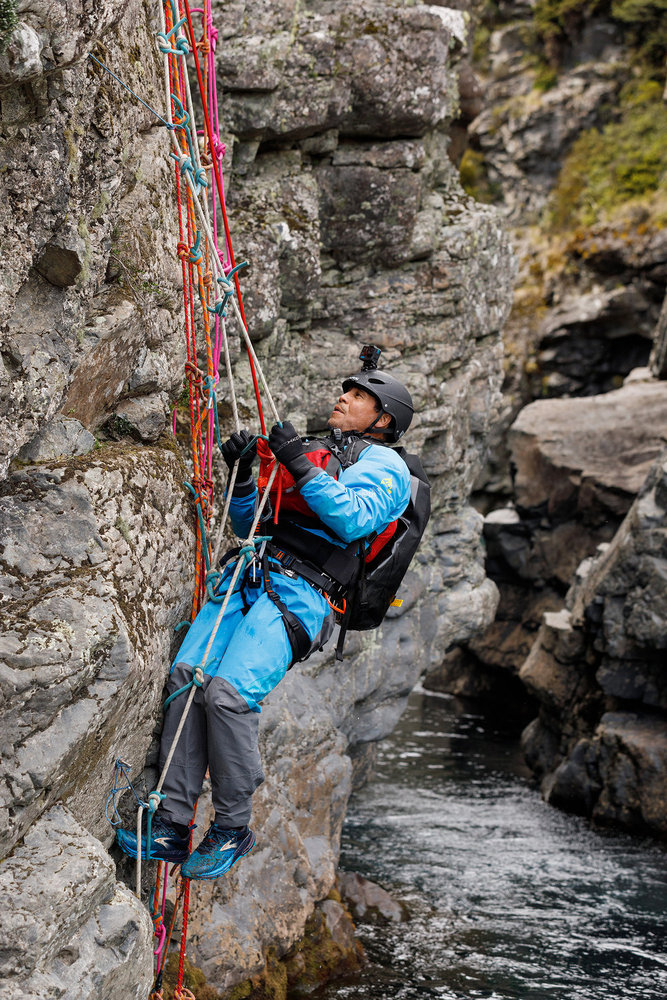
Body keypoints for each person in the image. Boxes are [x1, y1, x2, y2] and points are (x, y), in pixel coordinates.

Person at [116, 353, 414, 880]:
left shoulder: (388, 467)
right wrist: (247, 472)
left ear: (383, 418)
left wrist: (296, 461)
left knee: (227, 693)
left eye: (357, 396)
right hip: (254, 570)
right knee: (187, 679)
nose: (341, 398)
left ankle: (232, 827)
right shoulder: (318, 452)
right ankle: (171, 823)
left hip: (303, 593)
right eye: (344, 391)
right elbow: (249, 521)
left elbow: (352, 519)